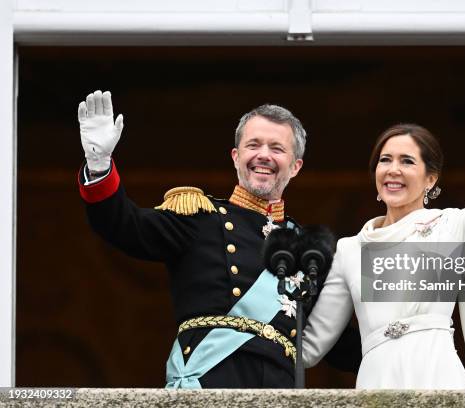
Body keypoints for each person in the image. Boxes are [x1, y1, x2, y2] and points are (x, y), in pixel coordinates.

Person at [301, 35, 465, 389]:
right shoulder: (349, 249)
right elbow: (310, 347)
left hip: (439, 376)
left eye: (407, 161)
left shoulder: (452, 228)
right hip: (377, 383)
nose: (393, 170)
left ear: (430, 178)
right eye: (385, 160)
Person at [77, 97, 358, 388]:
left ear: (296, 165)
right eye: (254, 145)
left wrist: (403, 341)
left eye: (277, 148)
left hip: (278, 392)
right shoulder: (199, 217)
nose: (264, 155)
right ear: (236, 156)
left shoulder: (310, 250)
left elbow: (336, 341)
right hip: (209, 385)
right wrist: (99, 165)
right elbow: (124, 225)